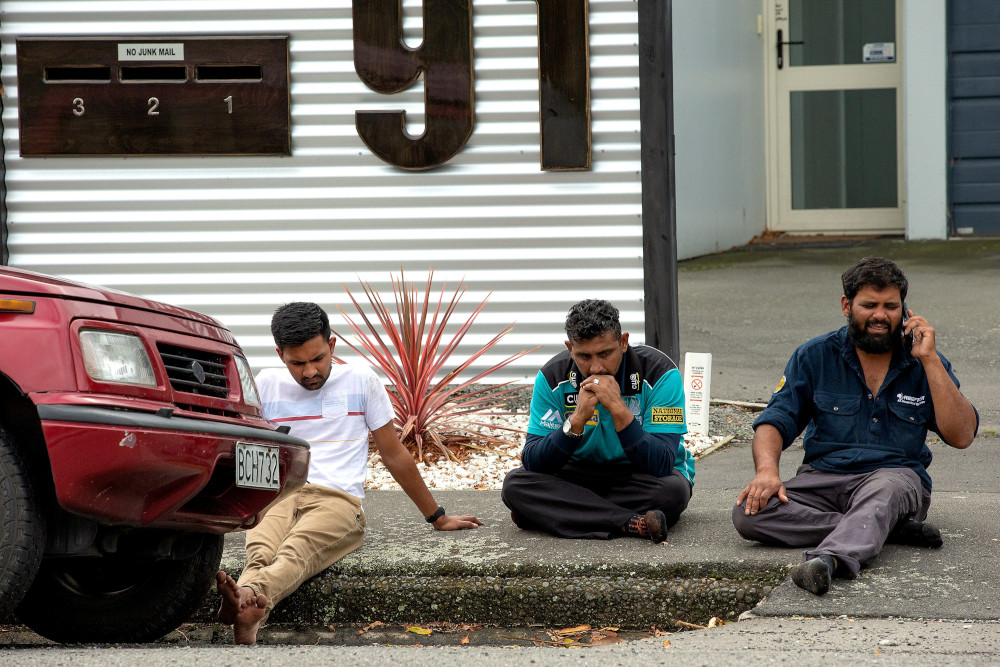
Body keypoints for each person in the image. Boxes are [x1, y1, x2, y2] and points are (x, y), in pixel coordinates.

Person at [216, 302, 482, 644]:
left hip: (337, 501)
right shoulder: (266, 383)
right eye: (297, 363)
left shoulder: (360, 380)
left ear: (332, 345)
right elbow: (248, 450)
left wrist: (438, 517)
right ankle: (249, 609)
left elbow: (393, 452)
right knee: (261, 550)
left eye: (318, 359)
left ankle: (250, 595)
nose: (310, 371)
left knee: (297, 550)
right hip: (278, 496)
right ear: (280, 354)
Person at [732, 257, 978, 595]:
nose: (880, 315)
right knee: (749, 513)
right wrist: (766, 472)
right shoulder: (814, 356)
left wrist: (931, 360)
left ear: (905, 311)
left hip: (894, 478)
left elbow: (962, 435)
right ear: (847, 306)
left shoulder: (924, 360)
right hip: (823, 479)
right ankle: (884, 529)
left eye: (891, 306)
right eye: (869, 305)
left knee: (884, 492)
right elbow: (775, 420)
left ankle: (831, 559)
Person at [501, 299, 694, 542]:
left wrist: (619, 410)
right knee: (515, 485)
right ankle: (631, 523)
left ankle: (557, 512)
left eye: (605, 353)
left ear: (623, 342)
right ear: (570, 348)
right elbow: (533, 461)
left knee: (672, 493)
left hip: (637, 476)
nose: (596, 367)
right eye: (583, 356)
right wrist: (576, 421)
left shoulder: (660, 373)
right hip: (579, 474)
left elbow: (662, 463)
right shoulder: (552, 377)